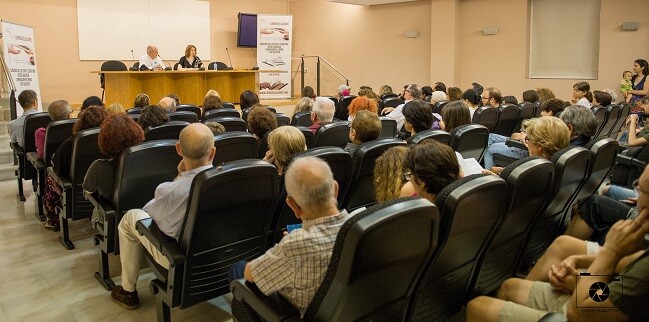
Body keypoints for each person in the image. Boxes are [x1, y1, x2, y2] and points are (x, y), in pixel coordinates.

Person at [466, 205, 649, 321]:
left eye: (643, 192)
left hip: (582, 313)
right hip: (600, 303)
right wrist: (578, 264)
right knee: (509, 287)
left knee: (478, 307)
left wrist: (610, 251)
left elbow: (580, 314)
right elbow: (628, 265)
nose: (637, 202)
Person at [111, 123, 215, 309]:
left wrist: (178, 178)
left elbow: (149, 216)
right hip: (218, 255)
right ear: (213, 152)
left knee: (132, 217)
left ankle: (128, 291)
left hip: (180, 259)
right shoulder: (229, 180)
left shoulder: (169, 190)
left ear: (178, 149)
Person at [242, 156, 352, 317]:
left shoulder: (295, 244)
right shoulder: (361, 226)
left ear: (292, 205)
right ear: (335, 189)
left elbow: (250, 275)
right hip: (345, 313)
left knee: (238, 270)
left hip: (299, 314)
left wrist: (290, 244)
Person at [45, 106, 106, 230]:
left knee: (50, 177)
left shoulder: (69, 144)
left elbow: (58, 170)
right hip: (102, 190)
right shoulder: (109, 141)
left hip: (75, 194)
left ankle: (53, 221)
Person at [83, 114, 144, 227]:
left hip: (113, 220)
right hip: (142, 218)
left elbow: (88, 191)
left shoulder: (99, 167)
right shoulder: (147, 161)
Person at [485, 115, 570, 175]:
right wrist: (503, 171)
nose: (527, 142)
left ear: (539, 146)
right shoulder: (558, 168)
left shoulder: (529, 171)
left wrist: (495, 177)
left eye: (527, 139)